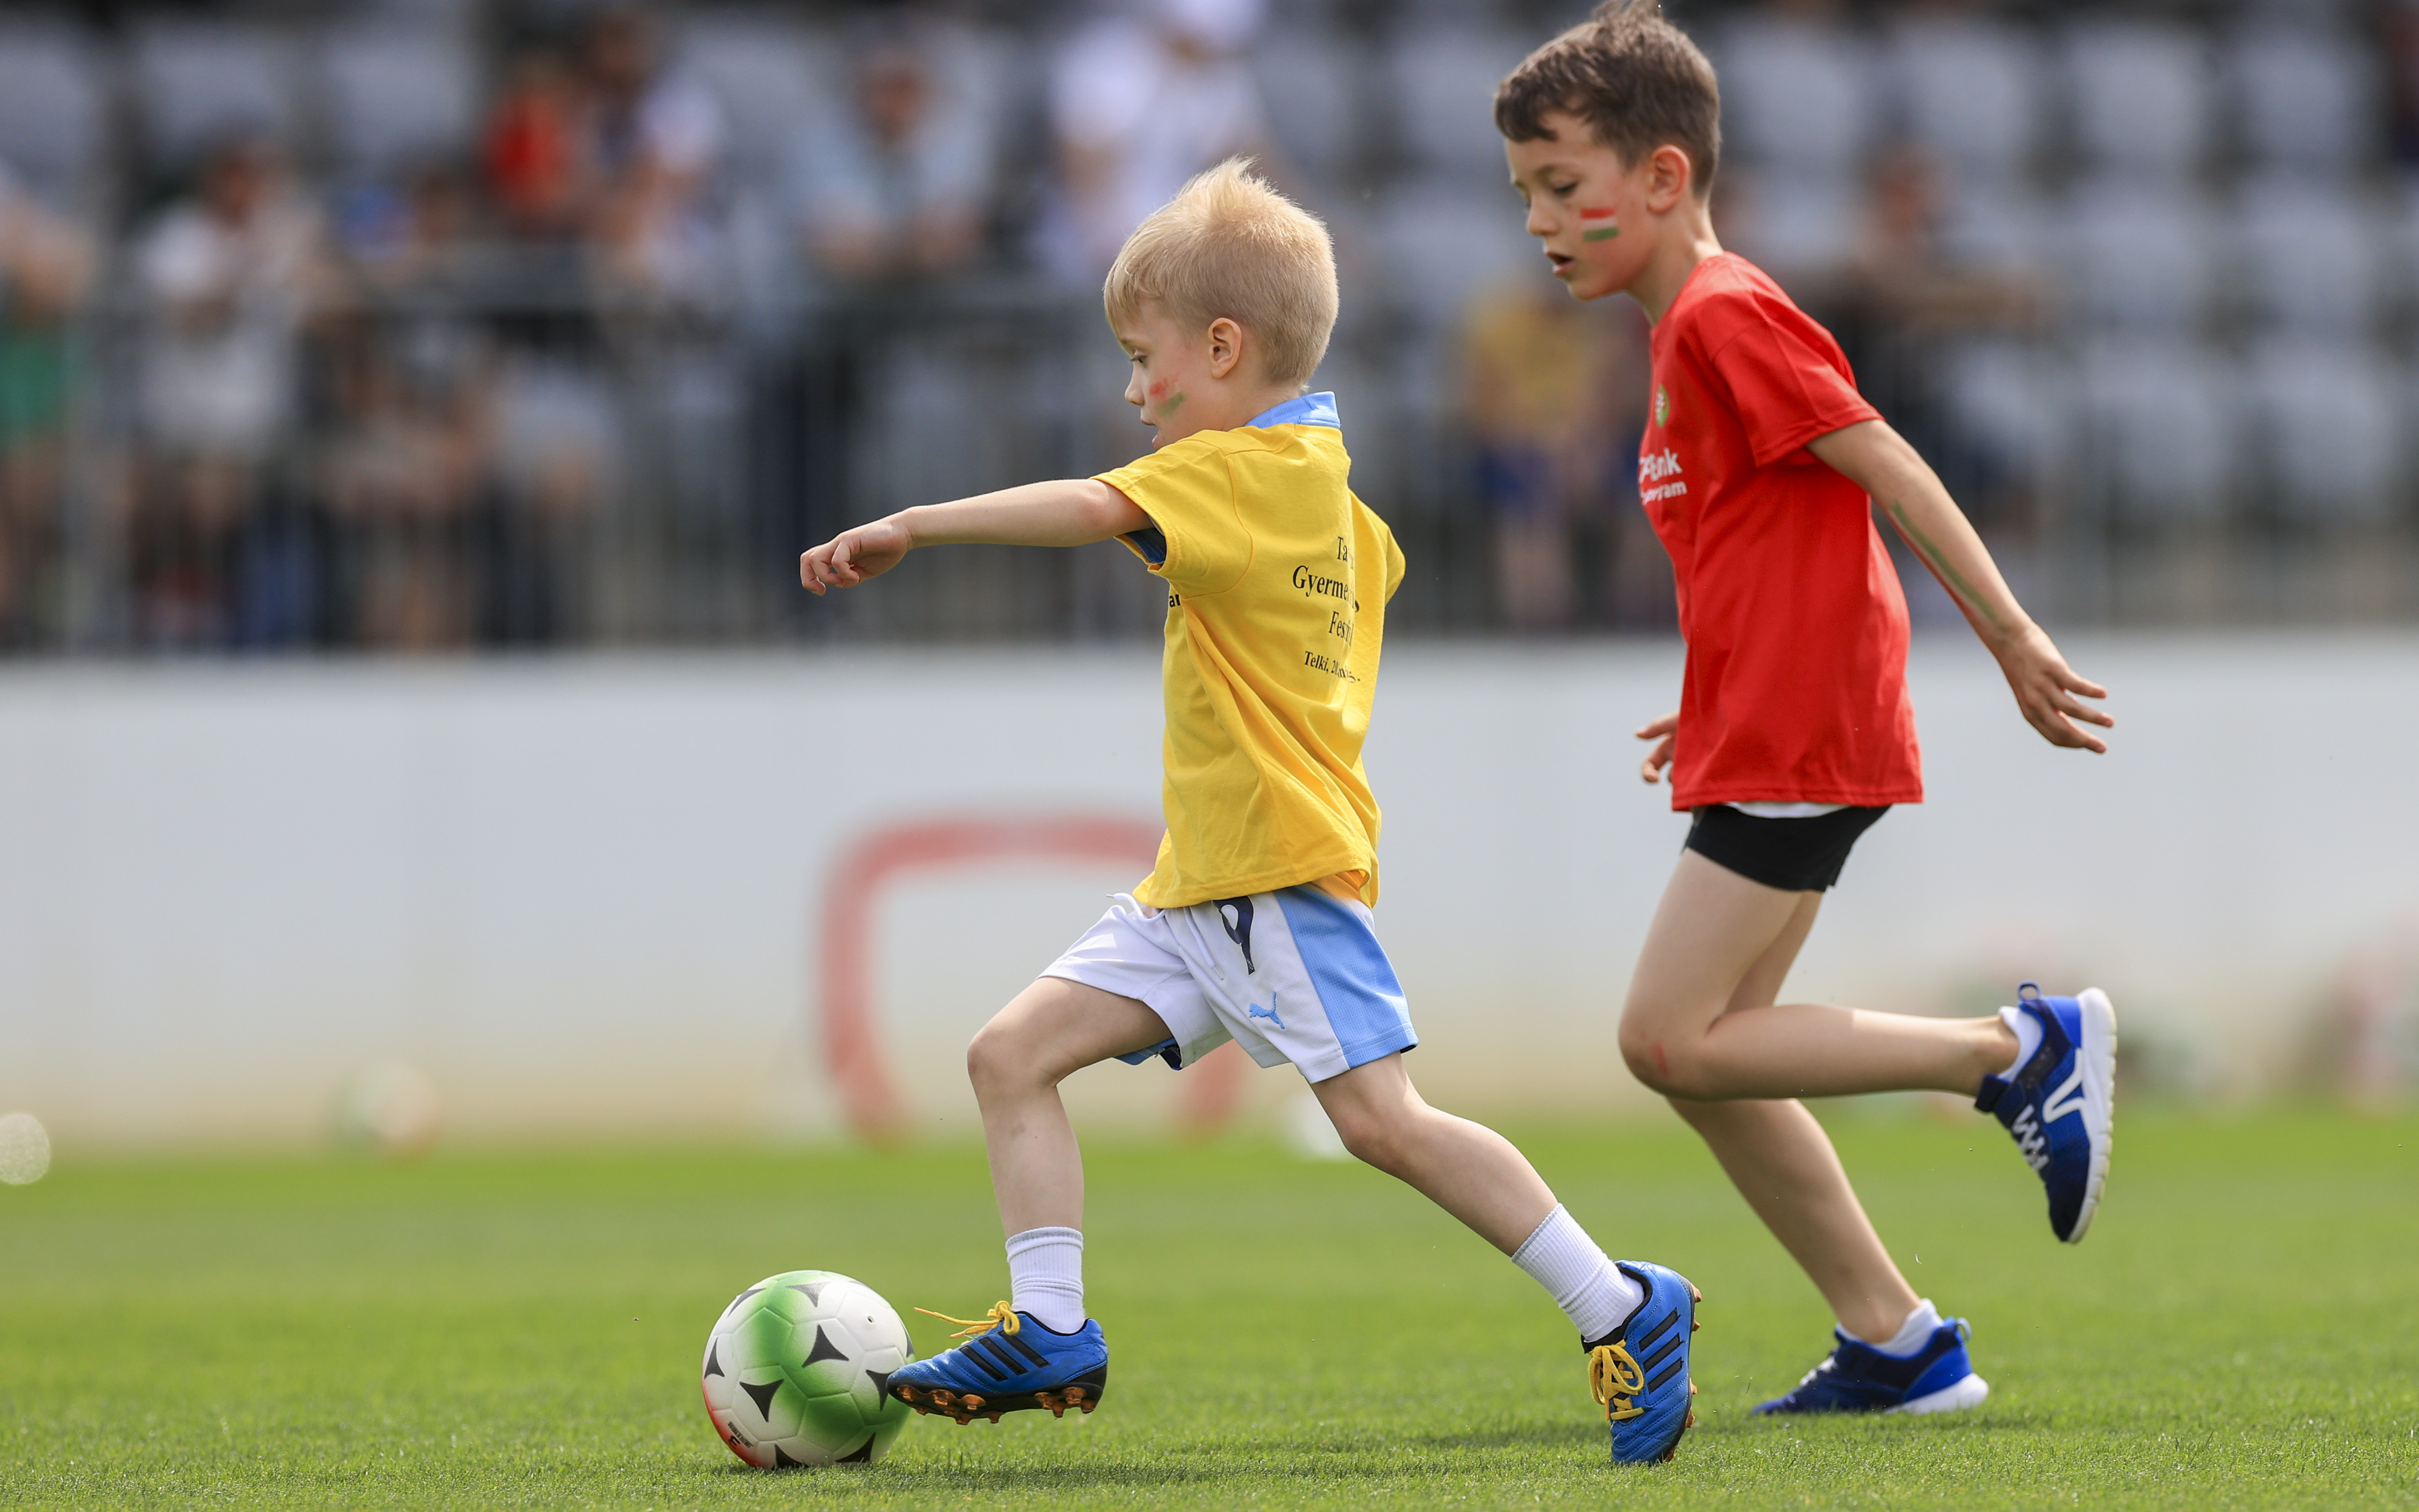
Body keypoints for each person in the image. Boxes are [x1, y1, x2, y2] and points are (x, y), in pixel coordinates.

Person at [800, 160, 1702, 1466]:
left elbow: (1095, 503)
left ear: (1221, 350)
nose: (1133, 391)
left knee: (1383, 1121)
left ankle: (1618, 1304)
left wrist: (912, 525)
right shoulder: (1336, 504)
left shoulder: (1241, 471)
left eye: (1142, 358)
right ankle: (1050, 1326)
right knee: (1009, 1055)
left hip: (1274, 874)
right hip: (1199, 886)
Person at [1494, 2, 2117, 1417]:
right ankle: (1896, 1342)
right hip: (1766, 719)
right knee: (1711, 1056)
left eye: (1563, 186)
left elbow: (1883, 459)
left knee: (1665, 1038)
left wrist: (2009, 632)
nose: (1538, 222)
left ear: (1663, 176)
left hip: (1799, 726)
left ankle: (2013, 1053)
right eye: (1526, 191)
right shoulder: (1679, 337)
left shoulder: (1724, 310)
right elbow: (1759, 550)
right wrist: (1708, 693)